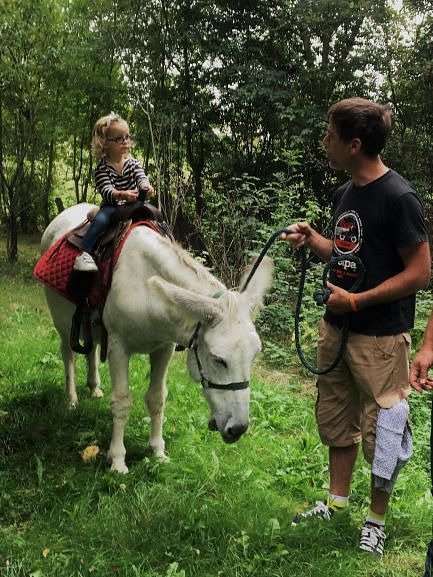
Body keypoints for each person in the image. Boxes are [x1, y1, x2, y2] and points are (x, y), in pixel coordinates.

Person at [282, 97, 430, 556]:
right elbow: (349, 255)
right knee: (337, 418)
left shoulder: (398, 197)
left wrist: (358, 301)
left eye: (331, 134)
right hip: (337, 330)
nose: (325, 141)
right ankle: (337, 502)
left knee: (384, 431)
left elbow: (422, 272)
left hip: (381, 338)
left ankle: (376, 522)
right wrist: (315, 242)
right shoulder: (345, 193)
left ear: (355, 144)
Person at [74, 112, 154, 272]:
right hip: (112, 207)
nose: (125, 141)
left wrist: (146, 186)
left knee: (155, 218)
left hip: (134, 205)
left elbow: (141, 177)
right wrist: (121, 194)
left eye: (127, 137)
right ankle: (84, 253)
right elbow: (107, 190)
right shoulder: (102, 168)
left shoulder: (133, 163)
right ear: (105, 143)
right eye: (119, 138)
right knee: (102, 220)